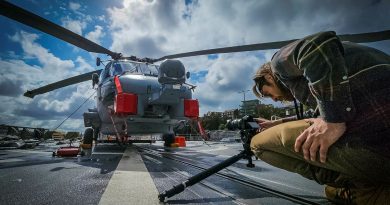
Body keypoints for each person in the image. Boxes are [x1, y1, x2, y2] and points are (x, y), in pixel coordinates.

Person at [250, 31, 390, 204]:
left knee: (258, 144)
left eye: (268, 93)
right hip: (379, 144)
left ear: (268, 76)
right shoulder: (336, 71)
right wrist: (278, 122)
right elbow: (318, 113)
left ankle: (365, 189)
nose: (274, 99)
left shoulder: (278, 63)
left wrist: (333, 121)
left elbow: (316, 46)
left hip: (378, 151)